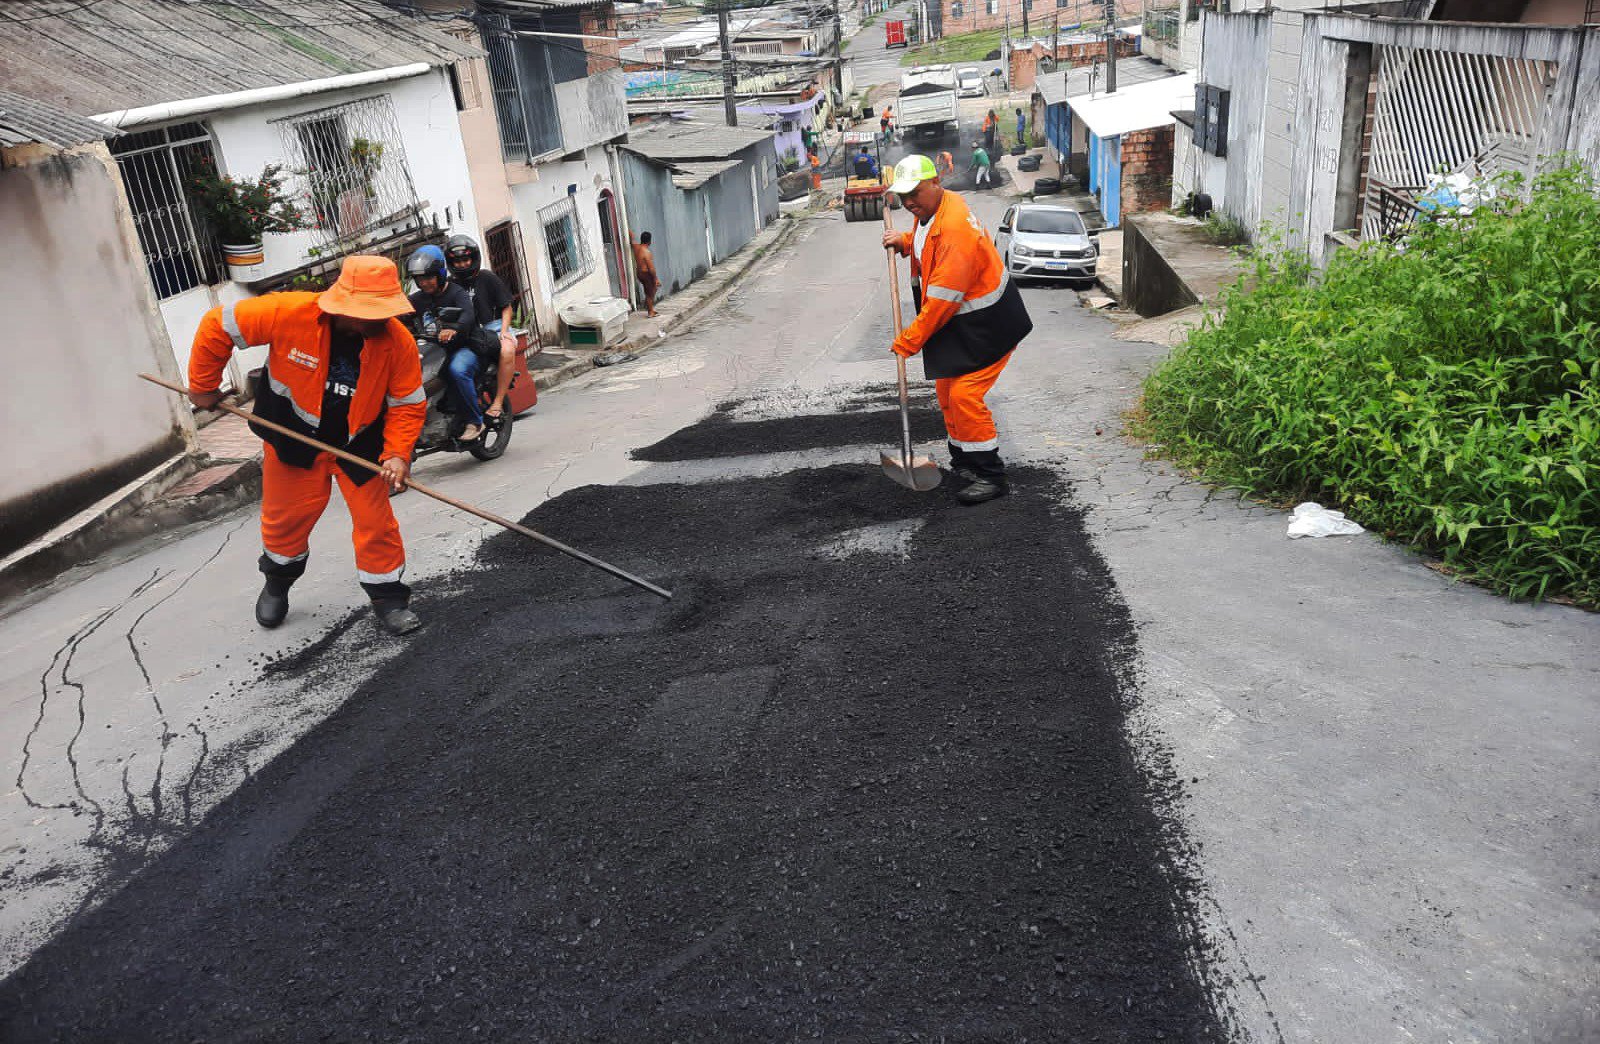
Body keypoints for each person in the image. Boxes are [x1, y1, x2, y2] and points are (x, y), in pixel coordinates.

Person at [186, 256, 427, 634]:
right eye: (370, 312)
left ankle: (389, 599)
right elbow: (218, 324)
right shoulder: (289, 312)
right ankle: (277, 584)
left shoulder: (398, 342)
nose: (378, 320)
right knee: (286, 524)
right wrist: (203, 387)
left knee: (376, 525)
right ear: (345, 305)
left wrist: (397, 453)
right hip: (293, 438)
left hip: (359, 444)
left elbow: (407, 404)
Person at [879, 154, 1032, 504]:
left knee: (964, 396)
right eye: (902, 197)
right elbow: (926, 243)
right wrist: (904, 241)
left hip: (989, 324)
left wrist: (910, 340)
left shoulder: (955, 229)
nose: (909, 203)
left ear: (936, 183)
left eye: (914, 193)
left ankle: (992, 477)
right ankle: (964, 462)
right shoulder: (933, 212)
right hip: (961, 325)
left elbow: (943, 302)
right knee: (947, 392)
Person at [407, 249, 483, 442]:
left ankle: (474, 422)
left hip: (464, 346)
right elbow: (399, 314)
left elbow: (468, 315)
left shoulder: (456, 292)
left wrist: (454, 329)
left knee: (457, 370)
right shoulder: (418, 299)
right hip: (434, 350)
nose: (424, 283)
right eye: (419, 279)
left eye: (428, 277)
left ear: (440, 274)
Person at [444, 234, 519, 423]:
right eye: (457, 261)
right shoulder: (450, 285)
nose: (461, 264)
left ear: (474, 258)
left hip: (492, 327)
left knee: (508, 349)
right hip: (467, 333)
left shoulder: (487, 277)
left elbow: (506, 306)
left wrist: (503, 331)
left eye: (465, 260)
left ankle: (498, 401)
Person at [631, 230, 660, 318]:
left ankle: (650, 308)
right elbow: (651, 268)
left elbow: (632, 241)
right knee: (650, 293)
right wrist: (655, 279)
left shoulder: (636, 247)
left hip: (639, 273)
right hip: (646, 274)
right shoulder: (646, 252)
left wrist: (630, 234)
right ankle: (650, 311)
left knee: (650, 291)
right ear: (649, 241)